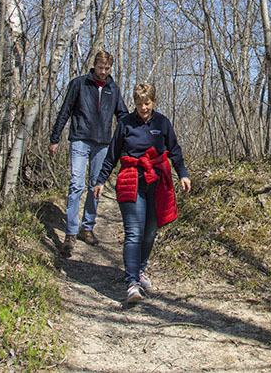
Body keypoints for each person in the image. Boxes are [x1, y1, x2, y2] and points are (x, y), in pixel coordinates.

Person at [93, 82, 191, 305]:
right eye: (138, 104)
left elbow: (174, 151)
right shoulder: (125, 123)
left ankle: (141, 270)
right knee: (134, 232)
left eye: (146, 103)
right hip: (131, 179)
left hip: (157, 181)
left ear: (153, 102)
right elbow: (112, 155)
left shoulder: (162, 123)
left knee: (150, 231)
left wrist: (183, 174)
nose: (143, 108)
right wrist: (100, 180)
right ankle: (131, 283)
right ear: (134, 103)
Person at [49, 49, 127, 257]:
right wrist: (55, 138)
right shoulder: (79, 84)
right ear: (94, 66)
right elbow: (65, 110)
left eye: (107, 68)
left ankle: (87, 227)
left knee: (95, 186)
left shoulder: (113, 88)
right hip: (80, 139)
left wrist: (132, 138)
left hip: (102, 143)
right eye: (101, 68)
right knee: (76, 184)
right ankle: (71, 233)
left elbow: (122, 115)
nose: (104, 72)